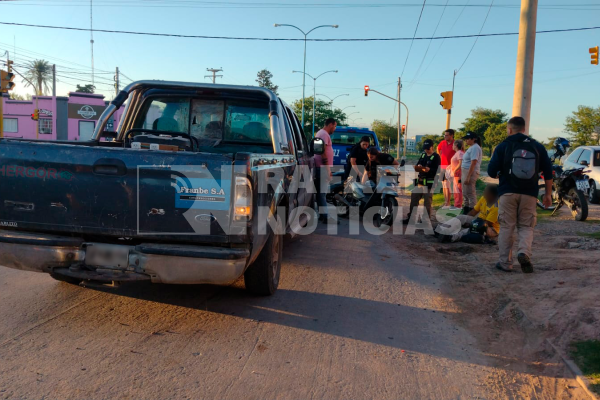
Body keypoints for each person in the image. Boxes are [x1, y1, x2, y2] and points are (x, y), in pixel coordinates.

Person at [487, 116, 553, 273]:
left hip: (507, 193)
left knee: (507, 227)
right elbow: (549, 172)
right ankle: (523, 252)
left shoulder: (503, 146)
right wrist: (548, 195)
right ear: (524, 129)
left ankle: (505, 263)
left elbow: (491, 171)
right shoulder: (537, 146)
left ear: (509, 129)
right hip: (530, 193)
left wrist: (500, 174)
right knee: (526, 226)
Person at [403, 139, 441, 225]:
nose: (426, 150)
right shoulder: (423, 155)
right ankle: (411, 218)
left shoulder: (436, 157)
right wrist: (419, 166)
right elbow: (418, 164)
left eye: (428, 148)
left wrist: (430, 169)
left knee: (427, 202)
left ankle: (425, 221)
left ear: (432, 147)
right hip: (420, 181)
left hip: (429, 183)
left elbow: (438, 170)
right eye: (425, 148)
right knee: (414, 199)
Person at [315, 118, 338, 224]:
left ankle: (323, 215)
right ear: (330, 125)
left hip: (321, 166)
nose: (335, 128)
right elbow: (322, 151)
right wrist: (327, 168)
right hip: (323, 167)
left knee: (320, 193)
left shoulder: (320, 133)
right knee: (322, 193)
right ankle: (325, 216)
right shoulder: (324, 134)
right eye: (334, 126)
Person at [461, 132, 483, 214]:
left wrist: (468, 177)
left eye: (468, 139)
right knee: (465, 192)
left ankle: (472, 212)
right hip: (465, 171)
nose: (466, 140)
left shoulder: (475, 148)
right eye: (465, 139)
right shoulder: (471, 147)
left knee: (470, 193)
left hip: (470, 172)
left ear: (474, 139)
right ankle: (466, 210)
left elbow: (473, 162)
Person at [437, 129, 456, 209]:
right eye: (444, 135)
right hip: (442, 166)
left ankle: (448, 203)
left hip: (450, 167)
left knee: (448, 185)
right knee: (444, 185)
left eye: (447, 135)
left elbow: (461, 153)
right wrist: (440, 155)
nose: (445, 136)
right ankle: (445, 202)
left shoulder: (455, 143)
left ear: (451, 136)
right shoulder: (442, 142)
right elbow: (438, 148)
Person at [450, 139, 465, 210]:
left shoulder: (459, 153)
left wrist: (454, 170)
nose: (452, 146)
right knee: (456, 189)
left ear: (456, 145)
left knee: (458, 189)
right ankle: (457, 204)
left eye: (453, 144)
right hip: (455, 174)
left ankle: (458, 205)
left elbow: (460, 163)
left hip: (458, 174)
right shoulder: (457, 153)